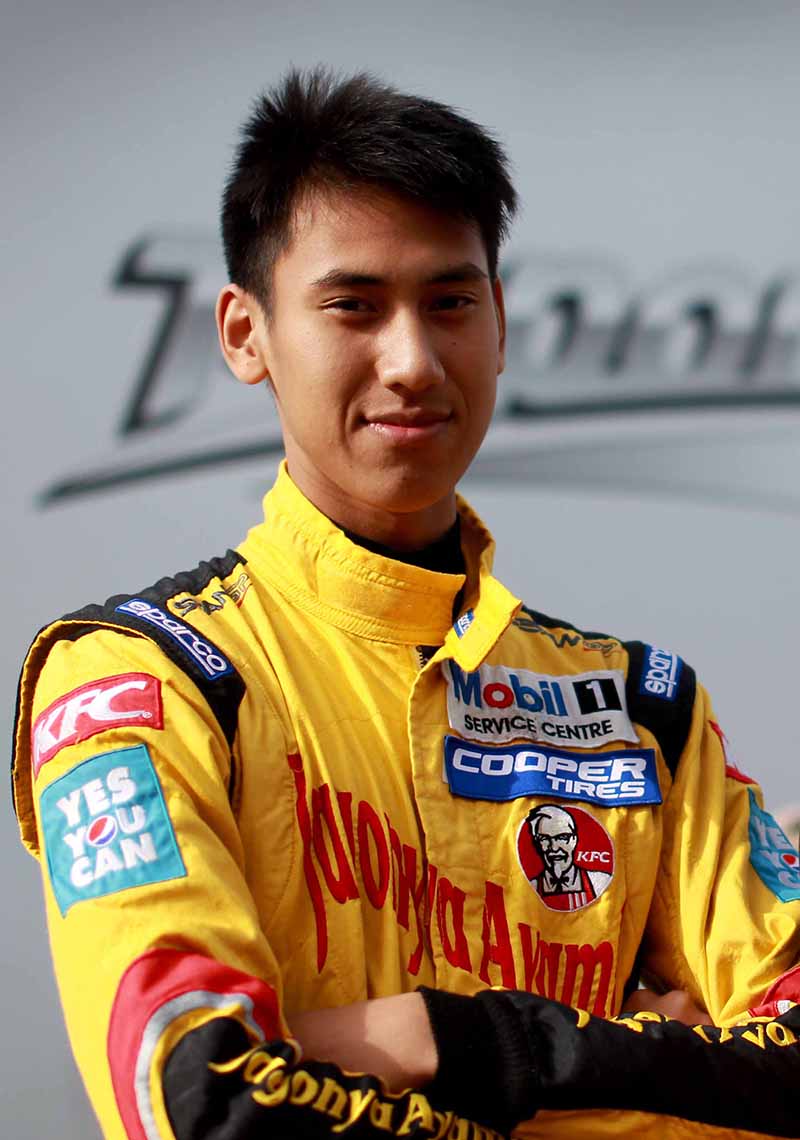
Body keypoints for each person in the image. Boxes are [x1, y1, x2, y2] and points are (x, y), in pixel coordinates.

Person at [11, 67, 800, 1140]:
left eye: (449, 303)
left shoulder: (639, 710)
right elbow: (201, 1100)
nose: (413, 362)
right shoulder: (143, 679)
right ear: (245, 334)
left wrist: (464, 1040)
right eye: (353, 306)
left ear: (500, 322)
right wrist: (631, 1066)